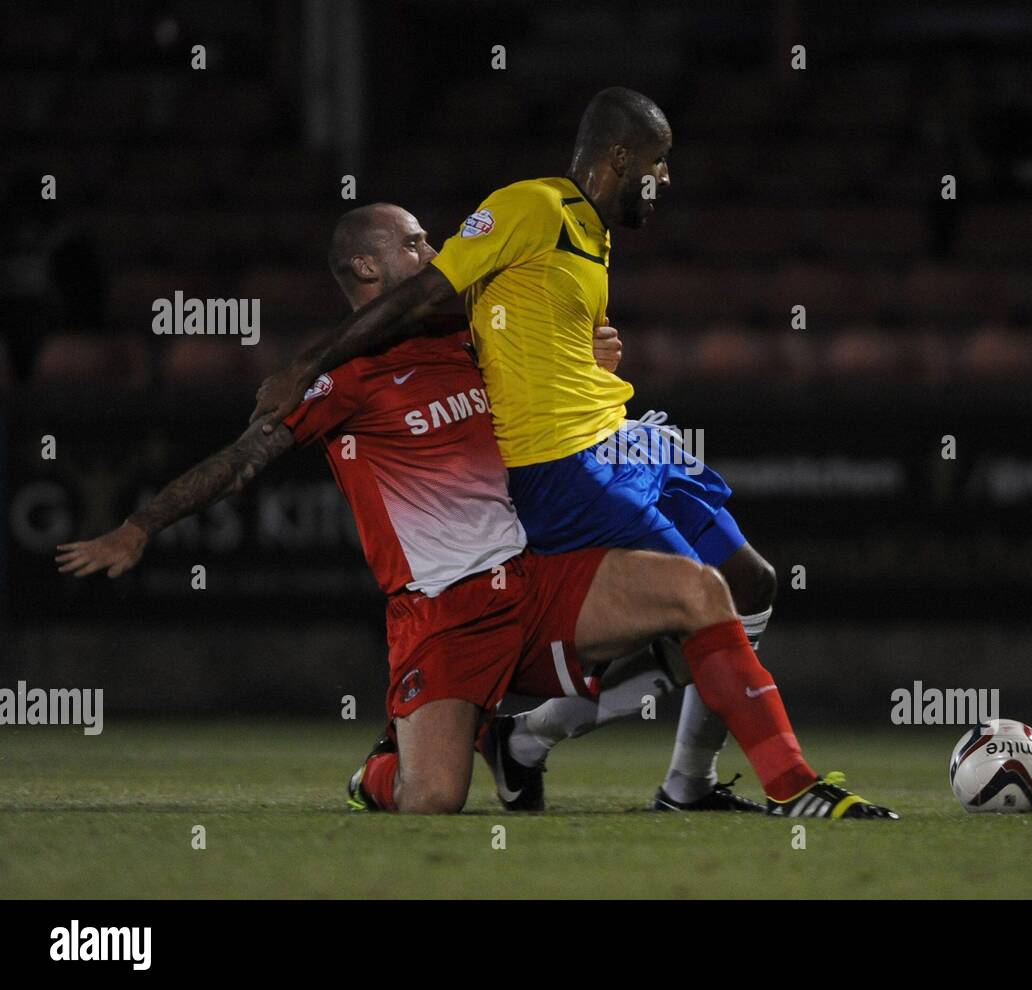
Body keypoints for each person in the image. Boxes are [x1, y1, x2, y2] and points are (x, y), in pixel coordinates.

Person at [57, 204, 897, 821]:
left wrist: (588, 359)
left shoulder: (476, 342)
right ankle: (384, 767)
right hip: (442, 618)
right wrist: (138, 529)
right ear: (365, 274)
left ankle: (792, 786)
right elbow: (238, 465)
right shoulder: (342, 385)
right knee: (433, 803)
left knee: (702, 591)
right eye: (417, 244)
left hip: (534, 583)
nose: (437, 253)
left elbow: (554, 384)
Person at [250, 88, 789, 814]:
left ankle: (550, 749)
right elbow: (422, 308)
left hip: (607, 446)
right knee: (689, 611)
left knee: (742, 585)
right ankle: (497, 748)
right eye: (658, 165)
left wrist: (588, 359)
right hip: (519, 510)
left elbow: (516, 342)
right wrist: (305, 365)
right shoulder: (519, 218)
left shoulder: (585, 238)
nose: (432, 249)